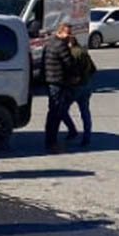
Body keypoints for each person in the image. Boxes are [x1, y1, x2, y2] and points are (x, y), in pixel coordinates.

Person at [43, 23, 75, 153]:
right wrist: (70, 48)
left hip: (50, 81)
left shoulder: (50, 43)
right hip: (58, 82)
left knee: (52, 113)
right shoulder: (61, 45)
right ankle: (52, 143)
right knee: (56, 114)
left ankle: (50, 141)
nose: (69, 36)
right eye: (68, 34)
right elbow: (70, 64)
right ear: (61, 32)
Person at [60, 35, 97, 147]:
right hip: (86, 85)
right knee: (85, 113)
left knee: (62, 110)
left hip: (74, 87)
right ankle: (87, 137)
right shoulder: (83, 52)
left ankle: (72, 130)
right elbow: (93, 69)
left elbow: (68, 70)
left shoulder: (71, 53)